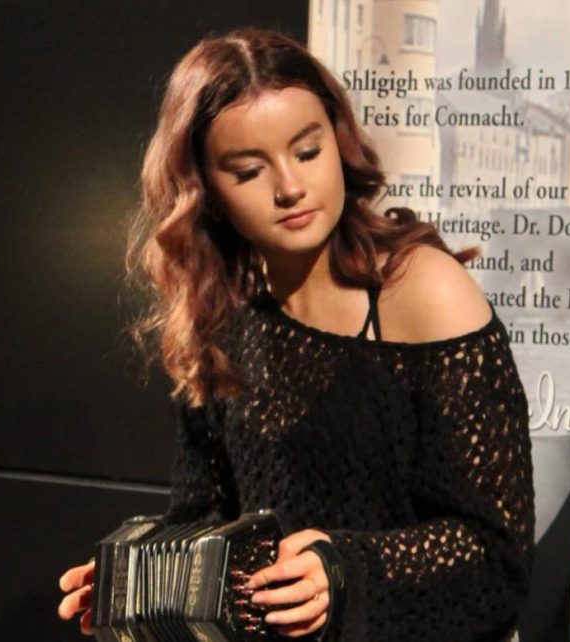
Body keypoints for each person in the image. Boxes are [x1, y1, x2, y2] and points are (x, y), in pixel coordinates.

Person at [58, 27, 534, 642]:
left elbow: (496, 561)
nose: (289, 187)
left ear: (338, 143)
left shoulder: (423, 292)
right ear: (205, 190)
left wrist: (343, 572)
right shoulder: (219, 312)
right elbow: (207, 518)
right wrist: (143, 585)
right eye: (249, 170)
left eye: (308, 153)